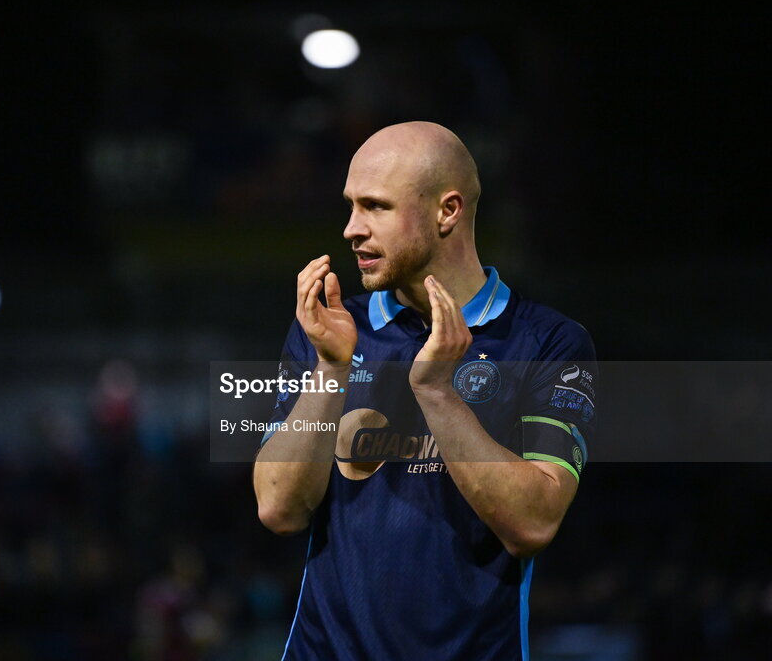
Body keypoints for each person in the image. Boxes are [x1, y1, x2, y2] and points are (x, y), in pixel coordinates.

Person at [253, 121, 597, 660]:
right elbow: (279, 508)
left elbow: (534, 522)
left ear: (448, 211)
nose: (351, 228)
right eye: (351, 205)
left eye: (376, 207)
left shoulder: (548, 342)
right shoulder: (331, 328)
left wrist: (437, 392)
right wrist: (330, 369)